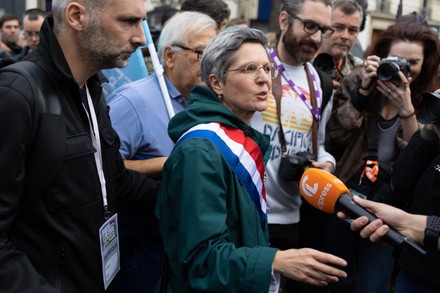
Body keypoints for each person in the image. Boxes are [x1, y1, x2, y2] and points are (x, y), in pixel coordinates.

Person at [155, 26, 347, 293]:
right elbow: (201, 260)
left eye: (267, 69)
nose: (264, 79)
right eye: (248, 69)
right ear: (217, 83)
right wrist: (276, 261)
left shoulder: (243, 137)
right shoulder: (200, 153)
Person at [0, 0, 160, 292]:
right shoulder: (17, 94)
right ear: (76, 16)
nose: (141, 37)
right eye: (128, 22)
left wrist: (185, 190)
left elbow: (115, 180)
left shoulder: (92, 90)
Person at [325, 19, 440, 293]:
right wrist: (363, 92)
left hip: (392, 199)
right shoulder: (360, 78)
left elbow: (418, 159)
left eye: (412, 62)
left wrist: (408, 110)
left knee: (373, 281)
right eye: (396, 60)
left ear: (426, 63)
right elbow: (337, 134)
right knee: (337, 274)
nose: (402, 69)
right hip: (348, 189)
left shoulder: (429, 99)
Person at [106, 11, 217, 292]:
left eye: (217, 54)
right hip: (141, 243)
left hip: (185, 244)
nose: (213, 64)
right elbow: (101, 169)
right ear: (169, 56)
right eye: (203, 52)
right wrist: (164, 164)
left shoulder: (209, 105)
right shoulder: (134, 101)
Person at [251, 0, 336, 291]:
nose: (316, 37)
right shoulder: (256, 70)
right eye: (310, 25)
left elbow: (321, 145)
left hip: (292, 218)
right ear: (284, 20)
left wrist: (326, 165)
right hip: (248, 214)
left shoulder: (322, 84)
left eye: (323, 30)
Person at [315, 0, 364, 90]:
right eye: (338, 27)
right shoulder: (300, 62)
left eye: (352, 30)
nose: (345, 36)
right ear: (324, 27)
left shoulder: (360, 71)